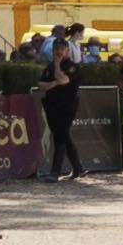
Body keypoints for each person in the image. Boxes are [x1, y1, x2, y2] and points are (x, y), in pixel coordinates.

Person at [41, 42, 84, 179]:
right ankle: (78, 168)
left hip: (67, 106)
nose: (58, 52)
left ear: (67, 50)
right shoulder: (49, 66)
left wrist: (58, 65)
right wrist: (53, 83)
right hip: (51, 105)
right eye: (55, 49)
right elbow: (41, 85)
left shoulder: (72, 66)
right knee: (63, 136)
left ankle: (55, 172)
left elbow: (63, 79)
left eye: (61, 49)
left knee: (60, 138)